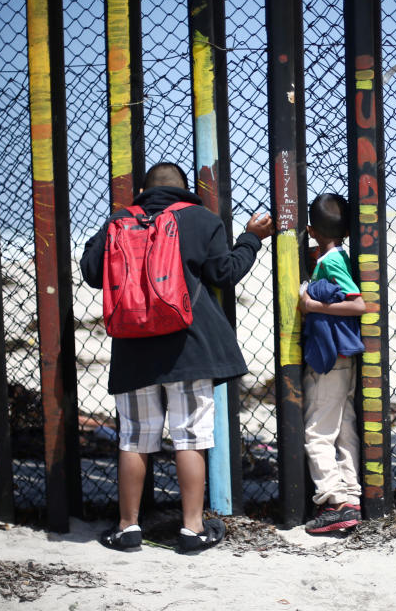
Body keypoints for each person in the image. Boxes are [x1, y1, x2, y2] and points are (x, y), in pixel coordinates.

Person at [80, 162, 273, 553]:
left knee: (134, 440)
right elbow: (224, 273)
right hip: (190, 346)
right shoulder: (201, 219)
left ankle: (128, 528)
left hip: (134, 349)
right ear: (184, 189)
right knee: (191, 437)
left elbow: (90, 271)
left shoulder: (120, 220)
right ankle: (192, 529)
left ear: (144, 190)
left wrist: (107, 230)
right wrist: (251, 238)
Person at [298, 193, 367, 534]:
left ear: (310, 230)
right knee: (344, 429)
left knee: (317, 432)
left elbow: (358, 305)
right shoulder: (336, 255)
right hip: (344, 356)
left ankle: (333, 501)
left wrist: (313, 306)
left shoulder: (333, 262)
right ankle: (351, 497)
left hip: (330, 358)